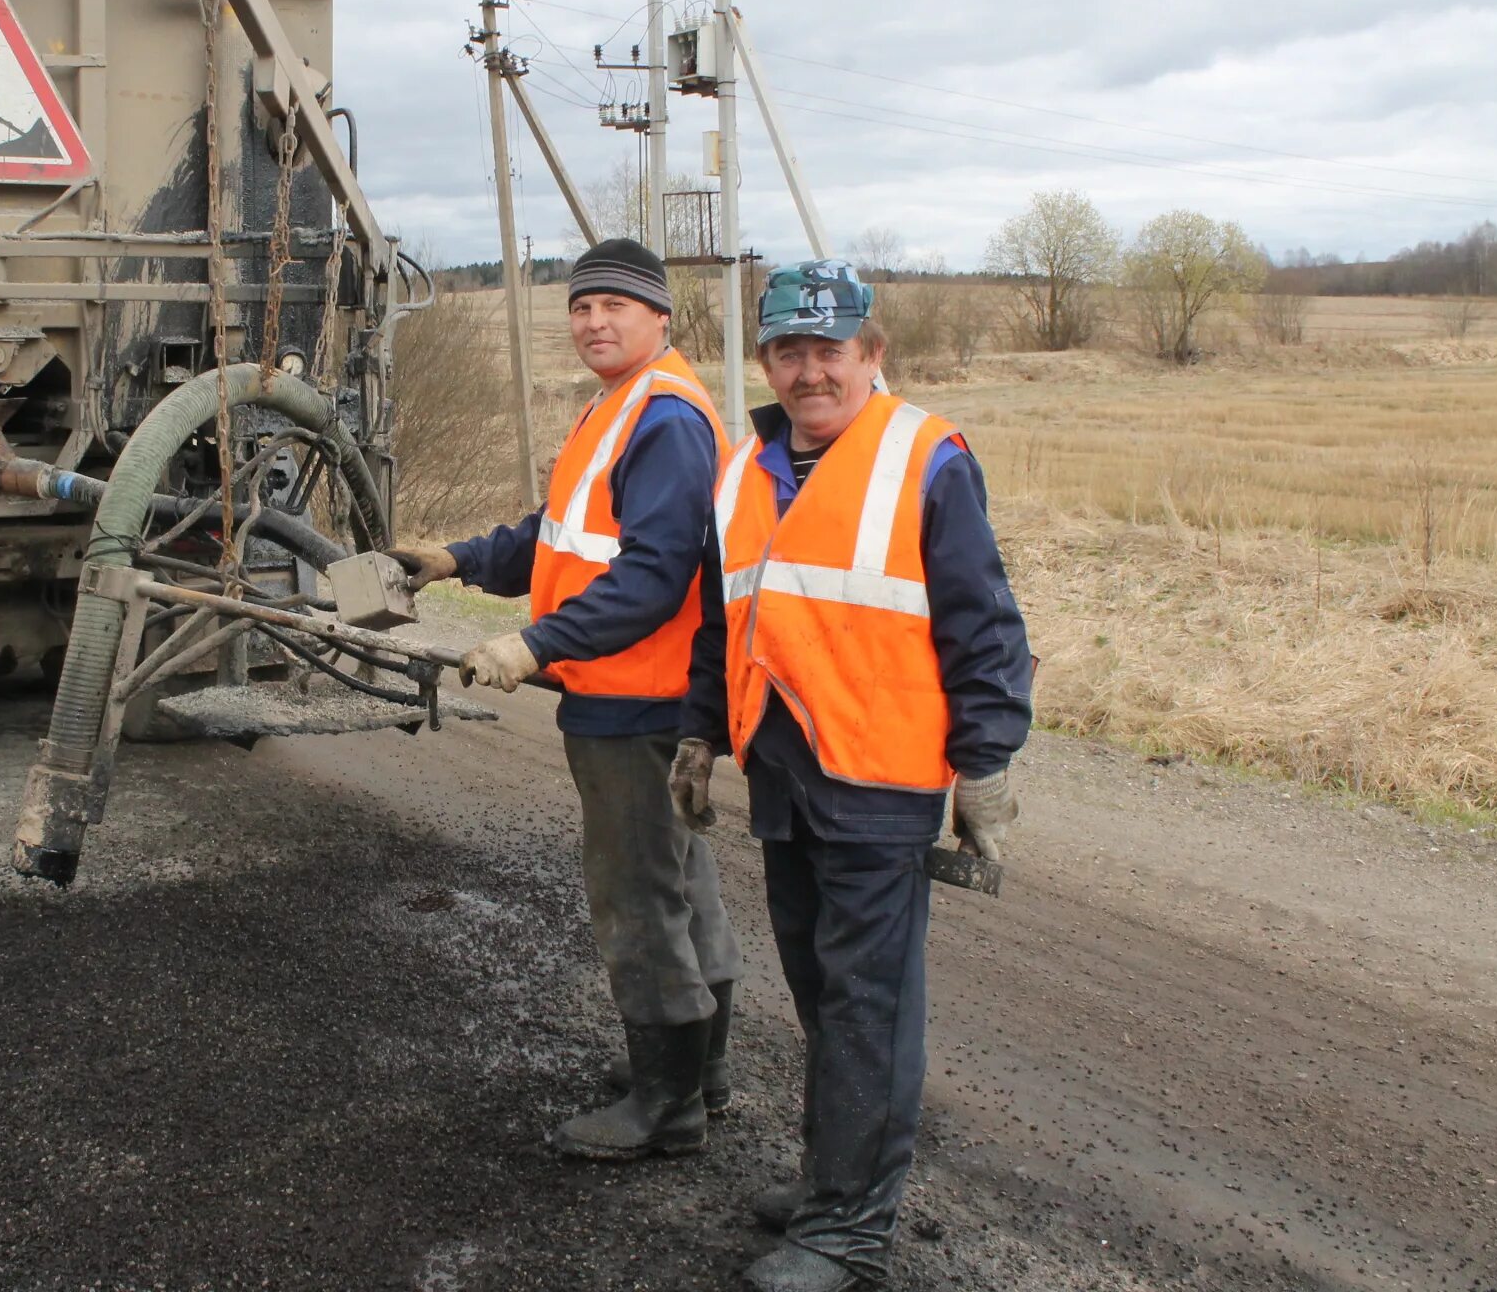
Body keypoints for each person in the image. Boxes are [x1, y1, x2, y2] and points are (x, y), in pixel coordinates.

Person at [673, 260, 1032, 1292]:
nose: (809, 370)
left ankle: (852, 1227)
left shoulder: (927, 457)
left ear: (869, 354)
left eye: (829, 349)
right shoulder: (744, 470)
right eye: (789, 349)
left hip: (881, 775)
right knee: (822, 989)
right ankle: (835, 1174)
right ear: (768, 359)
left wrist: (985, 763)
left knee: (868, 1000)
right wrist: (702, 736)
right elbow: (723, 621)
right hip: (785, 767)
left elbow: (984, 622)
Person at [391, 236, 742, 1161]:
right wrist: (458, 559)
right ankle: (699, 1071)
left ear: (659, 317)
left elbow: (655, 575)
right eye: (581, 307)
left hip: (637, 698)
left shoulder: (663, 417)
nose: (592, 321)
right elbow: (561, 538)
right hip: (643, 692)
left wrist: (535, 643)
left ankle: (667, 1108)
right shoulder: (621, 407)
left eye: (614, 306)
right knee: (680, 881)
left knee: (635, 898)